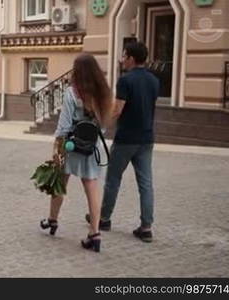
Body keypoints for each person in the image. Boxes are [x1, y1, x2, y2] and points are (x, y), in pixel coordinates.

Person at [85, 41, 159, 243]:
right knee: (146, 183)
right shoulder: (154, 80)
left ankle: (104, 219)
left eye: (124, 56)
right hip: (147, 139)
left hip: (126, 139)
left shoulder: (125, 81)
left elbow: (118, 109)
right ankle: (146, 227)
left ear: (132, 59)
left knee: (113, 180)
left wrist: (102, 124)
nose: (122, 59)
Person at [40, 53, 113, 253]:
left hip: (72, 146)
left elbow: (63, 126)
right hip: (92, 147)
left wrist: (57, 149)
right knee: (92, 190)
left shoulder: (72, 93)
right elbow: (103, 127)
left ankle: (53, 220)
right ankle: (95, 233)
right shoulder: (103, 94)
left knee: (59, 184)